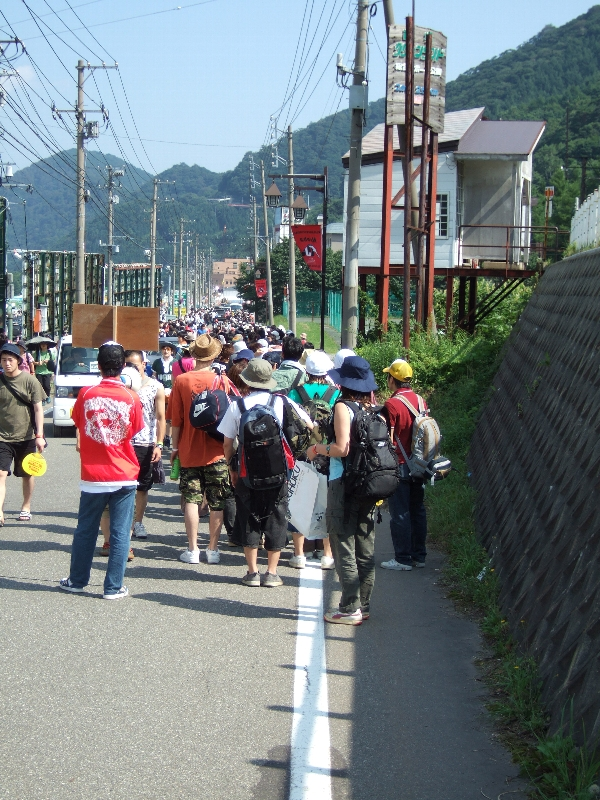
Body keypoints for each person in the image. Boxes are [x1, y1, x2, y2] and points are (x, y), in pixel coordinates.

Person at [59, 342, 143, 599]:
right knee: (120, 532)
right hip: (124, 472)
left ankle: (77, 580)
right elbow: (134, 429)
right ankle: (113, 587)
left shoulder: (86, 393)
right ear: (123, 366)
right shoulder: (131, 397)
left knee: (86, 529)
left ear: (98, 366)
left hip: (93, 474)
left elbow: (79, 422)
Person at [219, 358, 311, 588]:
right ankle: (272, 573)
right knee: (277, 516)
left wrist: (232, 468)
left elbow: (227, 443)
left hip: (246, 470)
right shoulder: (282, 401)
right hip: (279, 471)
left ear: (247, 381)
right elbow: (309, 425)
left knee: (248, 515)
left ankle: (252, 572)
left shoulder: (238, 406)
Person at [307, 356, 379, 625]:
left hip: (344, 482)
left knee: (343, 544)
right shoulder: (374, 408)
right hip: (369, 482)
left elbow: (342, 448)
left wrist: (317, 449)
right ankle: (364, 604)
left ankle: (350, 608)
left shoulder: (342, 407)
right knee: (365, 544)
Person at [168, 334, 234, 565]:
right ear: (214, 356)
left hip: (188, 450)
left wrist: (174, 447)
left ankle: (193, 549)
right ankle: (213, 549)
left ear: (194, 355)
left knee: (191, 499)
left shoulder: (181, 381)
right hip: (218, 450)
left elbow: (176, 420)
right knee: (217, 501)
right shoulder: (222, 381)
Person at [288, 350, 339, 570]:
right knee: (326, 504)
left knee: (300, 502)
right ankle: (327, 554)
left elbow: (289, 422)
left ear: (306, 371)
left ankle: (300, 554)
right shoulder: (335, 393)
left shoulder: (296, 392)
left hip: (302, 453)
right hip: (328, 453)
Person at [381, 359, 428, 571]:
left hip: (400, 463)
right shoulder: (420, 400)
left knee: (400, 512)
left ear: (393, 379)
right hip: (420, 463)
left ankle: (402, 559)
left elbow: (389, 437)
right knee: (417, 509)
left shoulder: (392, 404)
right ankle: (419, 555)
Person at [0, 342, 46, 526]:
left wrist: (39, 435)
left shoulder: (30, 381)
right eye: (3, 360)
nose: (7, 363)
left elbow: (38, 409)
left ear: (18, 361)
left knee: (27, 474)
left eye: (10, 360)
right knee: (1, 474)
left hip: (26, 436)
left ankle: (26, 506)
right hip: (2, 437)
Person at [153, 341, 175, 449]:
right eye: (164, 349)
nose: (165, 351)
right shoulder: (157, 362)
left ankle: (167, 438)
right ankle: (159, 438)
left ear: (171, 351)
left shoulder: (175, 362)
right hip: (159, 391)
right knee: (159, 415)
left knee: (170, 417)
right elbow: (154, 376)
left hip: (171, 392)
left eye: (168, 349)